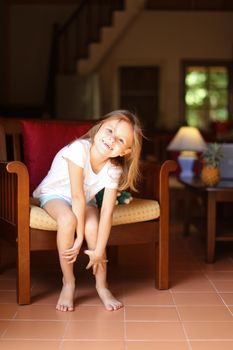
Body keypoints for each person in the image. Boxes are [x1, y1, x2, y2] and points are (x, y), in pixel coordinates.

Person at [33, 110, 143, 312]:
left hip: (85, 201)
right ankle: (69, 282)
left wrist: (99, 250)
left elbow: (107, 213)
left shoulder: (113, 168)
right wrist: (78, 237)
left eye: (120, 140)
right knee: (67, 220)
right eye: (109, 130)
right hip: (55, 194)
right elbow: (76, 196)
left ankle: (102, 286)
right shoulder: (78, 150)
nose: (111, 139)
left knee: (94, 227)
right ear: (100, 126)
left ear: (124, 152)